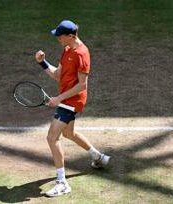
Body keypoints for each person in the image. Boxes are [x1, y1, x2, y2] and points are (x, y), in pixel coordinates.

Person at [35, 20, 110, 197]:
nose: (57, 38)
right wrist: (42, 62)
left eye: (60, 36)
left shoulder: (81, 54)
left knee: (52, 137)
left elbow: (82, 85)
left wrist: (58, 99)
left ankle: (62, 183)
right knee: (68, 133)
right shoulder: (67, 50)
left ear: (70, 36)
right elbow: (57, 75)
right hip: (65, 99)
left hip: (73, 100)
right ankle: (98, 157)